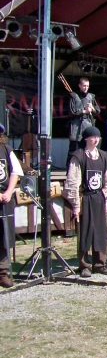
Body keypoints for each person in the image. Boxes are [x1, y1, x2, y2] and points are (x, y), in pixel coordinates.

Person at [64, 126, 107, 277]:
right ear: (86, 138)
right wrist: (75, 204)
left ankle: (100, 264)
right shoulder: (78, 156)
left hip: (99, 197)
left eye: (98, 137)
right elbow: (73, 180)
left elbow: (106, 180)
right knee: (85, 232)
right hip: (84, 197)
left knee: (102, 232)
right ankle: (84, 265)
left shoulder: (104, 156)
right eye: (93, 137)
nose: (96, 139)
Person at [0, 123, 22, 288]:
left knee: (4, 237)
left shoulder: (7, 150)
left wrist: (9, 191)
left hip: (5, 198)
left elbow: (15, 171)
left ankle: (3, 274)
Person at [68, 77, 100, 156]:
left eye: (87, 86)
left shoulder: (91, 97)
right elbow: (71, 112)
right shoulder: (74, 96)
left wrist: (92, 109)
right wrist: (84, 111)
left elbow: (97, 111)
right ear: (79, 85)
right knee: (74, 149)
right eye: (84, 86)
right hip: (76, 125)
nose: (86, 88)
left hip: (88, 125)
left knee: (87, 148)